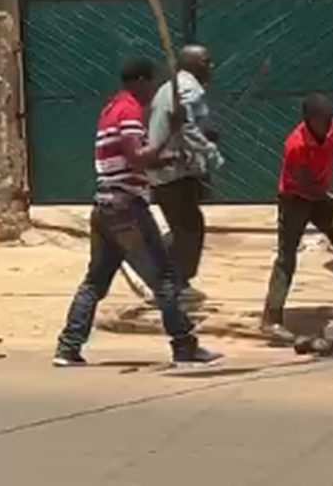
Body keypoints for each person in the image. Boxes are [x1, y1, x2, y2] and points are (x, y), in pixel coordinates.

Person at [53, 58, 221, 367]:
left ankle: (67, 347)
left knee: (94, 282)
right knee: (166, 278)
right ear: (141, 81)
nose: (152, 91)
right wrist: (170, 130)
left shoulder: (110, 110)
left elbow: (137, 160)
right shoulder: (129, 111)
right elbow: (137, 157)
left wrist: (169, 160)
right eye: (151, 84)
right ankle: (184, 345)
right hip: (127, 209)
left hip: (104, 206)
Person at [261, 93, 333, 344]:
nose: (327, 125)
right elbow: (310, 188)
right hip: (295, 199)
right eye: (321, 121)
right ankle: (271, 319)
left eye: (329, 120)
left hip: (319, 197)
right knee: (287, 256)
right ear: (308, 120)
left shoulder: (330, 127)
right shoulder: (296, 144)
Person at [148, 45, 223, 307]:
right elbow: (186, 127)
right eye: (206, 61)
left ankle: (166, 278)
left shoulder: (171, 87)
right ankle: (174, 283)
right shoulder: (187, 89)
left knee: (183, 226)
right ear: (190, 64)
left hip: (168, 169)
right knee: (189, 228)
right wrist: (210, 153)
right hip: (173, 170)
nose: (211, 66)